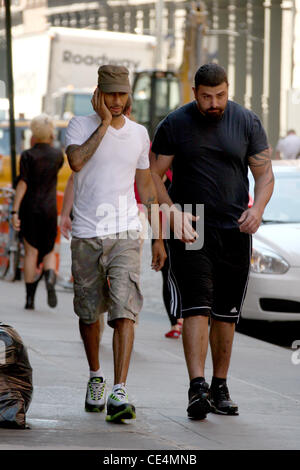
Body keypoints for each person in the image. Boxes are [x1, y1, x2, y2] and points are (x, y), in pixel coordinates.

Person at [150, 63, 274, 420]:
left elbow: (264, 175)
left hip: (234, 226)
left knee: (226, 312)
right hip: (192, 223)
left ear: (227, 89)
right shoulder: (175, 123)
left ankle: (220, 386)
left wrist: (259, 209)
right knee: (197, 305)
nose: (214, 102)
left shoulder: (246, 122)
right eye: (207, 97)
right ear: (195, 93)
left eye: (220, 95)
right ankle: (197, 387)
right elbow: (153, 177)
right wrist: (171, 212)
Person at [65, 65, 166, 422]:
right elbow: (76, 162)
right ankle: (96, 376)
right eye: (111, 95)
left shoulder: (140, 134)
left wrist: (157, 237)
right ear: (99, 94)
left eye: (122, 94)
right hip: (87, 233)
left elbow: (147, 187)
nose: (118, 101)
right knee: (88, 311)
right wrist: (105, 124)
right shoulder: (80, 125)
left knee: (126, 307)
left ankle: (119, 391)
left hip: (125, 231)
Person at [12, 114, 64, 310]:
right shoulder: (58, 155)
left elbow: (23, 183)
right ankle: (49, 276)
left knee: (31, 251)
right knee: (49, 249)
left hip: (30, 208)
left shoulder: (27, 155)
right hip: (50, 207)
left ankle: (30, 298)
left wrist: (15, 210)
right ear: (51, 133)